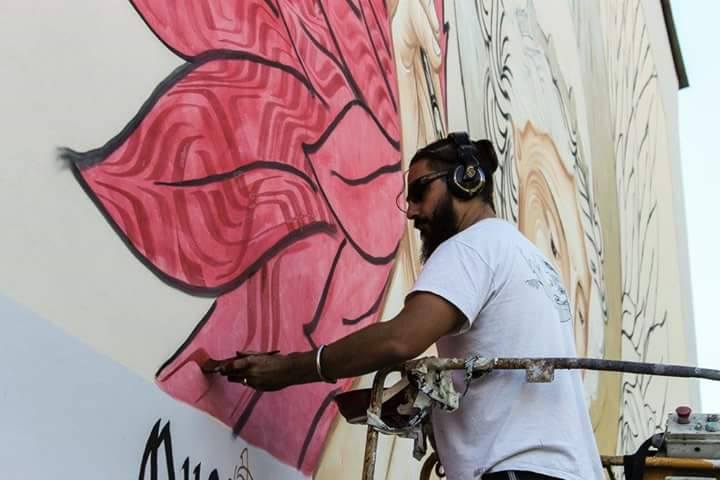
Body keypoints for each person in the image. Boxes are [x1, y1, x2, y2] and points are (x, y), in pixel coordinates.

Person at [219, 133, 603, 480]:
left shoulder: (470, 247)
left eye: (420, 190)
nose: (412, 211)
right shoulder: (526, 255)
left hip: (514, 469)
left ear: (466, 181)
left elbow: (399, 340)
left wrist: (291, 369)